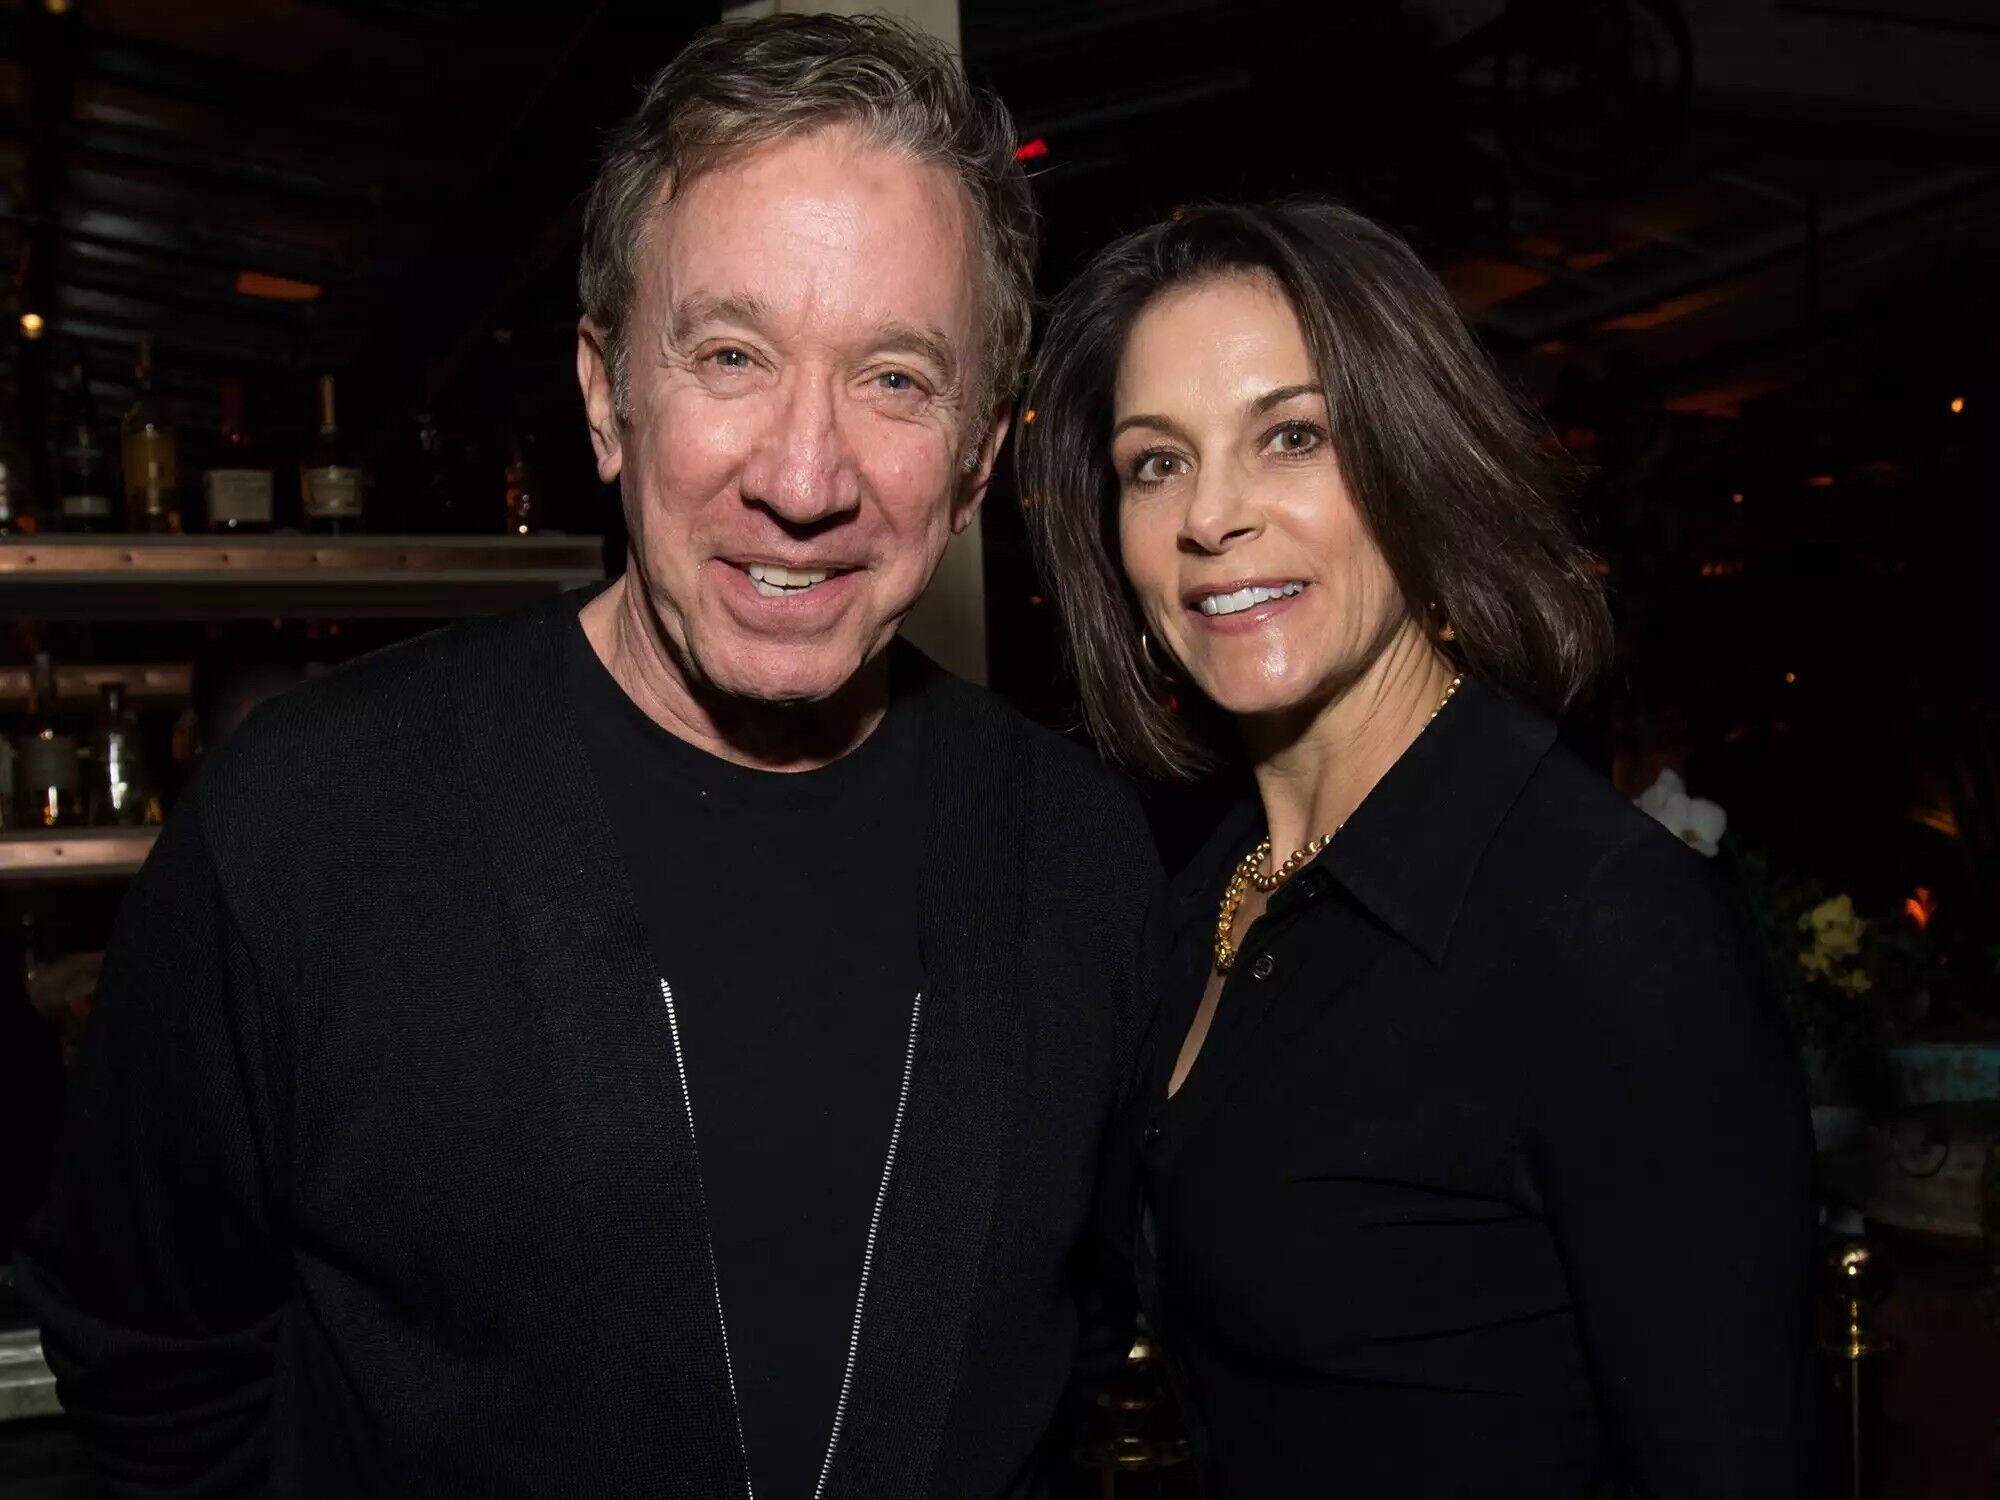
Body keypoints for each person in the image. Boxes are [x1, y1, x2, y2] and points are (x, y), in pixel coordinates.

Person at [19, 17, 1157, 1496]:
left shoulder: (1078, 854)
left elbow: (1084, 1354)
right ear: (608, 394)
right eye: (731, 355)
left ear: (977, 461)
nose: (803, 478)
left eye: (894, 379)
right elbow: (151, 1359)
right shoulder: (307, 827)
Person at [1021, 201, 1818, 1498]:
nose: (1211, 517)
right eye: (1155, 462)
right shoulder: (1200, 890)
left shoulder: (1608, 928)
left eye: (1293, 436)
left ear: (1414, 457)